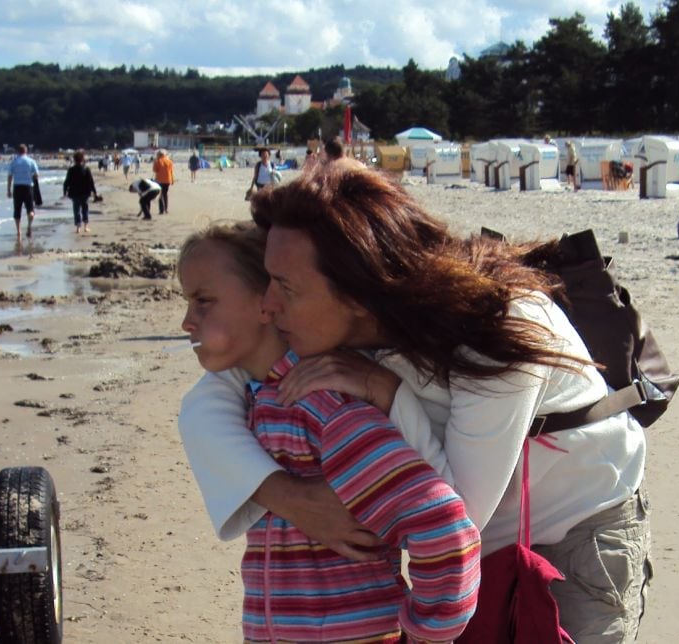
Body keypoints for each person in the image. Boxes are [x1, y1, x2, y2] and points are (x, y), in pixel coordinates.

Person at [180, 163, 650, 643]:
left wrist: (385, 389)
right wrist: (288, 497)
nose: (268, 306)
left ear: (360, 293)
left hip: (575, 533)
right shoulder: (326, 324)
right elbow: (207, 405)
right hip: (464, 562)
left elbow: (459, 516)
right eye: (267, 282)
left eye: (285, 287)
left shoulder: (497, 325)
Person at [177, 222, 481, 642]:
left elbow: (443, 527)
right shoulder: (263, 404)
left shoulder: (322, 409)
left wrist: (429, 633)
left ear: (267, 303)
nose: (186, 322)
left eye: (203, 302)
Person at [5, 144, 39, 243]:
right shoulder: (31, 161)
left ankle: (19, 231)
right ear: (26, 151)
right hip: (28, 187)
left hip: (17, 187)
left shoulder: (14, 162)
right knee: (30, 209)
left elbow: (10, 176)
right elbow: (36, 175)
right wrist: (31, 177)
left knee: (17, 209)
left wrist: (8, 190)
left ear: (18, 152)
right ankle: (29, 225)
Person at [62, 149, 98, 234]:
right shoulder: (86, 169)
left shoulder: (71, 169)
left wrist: (65, 192)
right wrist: (94, 192)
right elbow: (91, 182)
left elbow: (66, 182)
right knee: (85, 209)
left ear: (74, 160)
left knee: (76, 209)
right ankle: (86, 226)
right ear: (82, 159)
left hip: (74, 193)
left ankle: (78, 227)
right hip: (85, 192)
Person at [153, 149, 175, 215]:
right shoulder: (170, 161)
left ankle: (161, 210)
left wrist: (155, 162)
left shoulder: (158, 161)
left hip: (160, 180)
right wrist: (172, 180)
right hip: (168, 179)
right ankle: (166, 209)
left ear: (158, 155)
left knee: (160, 195)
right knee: (165, 194)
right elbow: (171, 171)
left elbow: (155, 170)